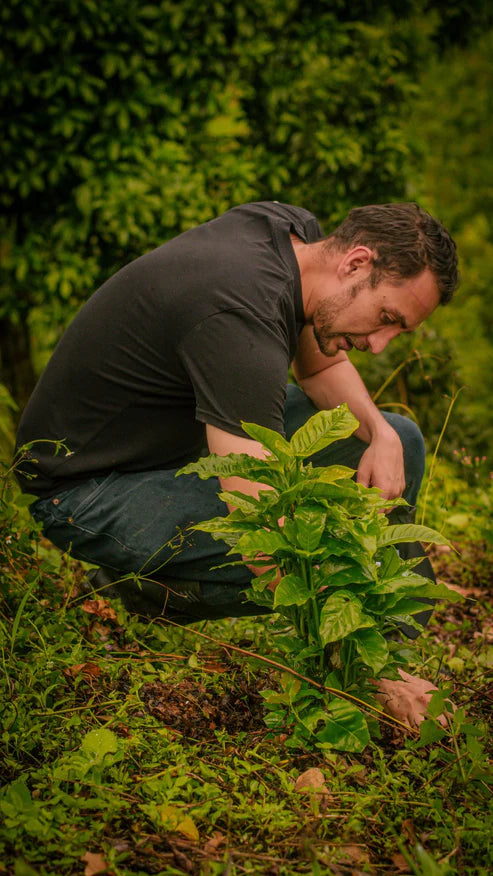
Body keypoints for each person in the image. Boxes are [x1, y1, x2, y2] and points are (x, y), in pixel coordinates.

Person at [15, 200, 458, 726]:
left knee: (399, 439)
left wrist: (380, 432)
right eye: (386, 318)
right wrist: (369, 670)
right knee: (278, 544)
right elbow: (259, 526)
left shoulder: (293, 235)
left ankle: (388, 635)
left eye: (398, 331)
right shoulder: (237, 311)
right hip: (88, 490)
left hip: (180, 449)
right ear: (356, 263)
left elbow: (317, 370)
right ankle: (141, 589)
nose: (380, 344)